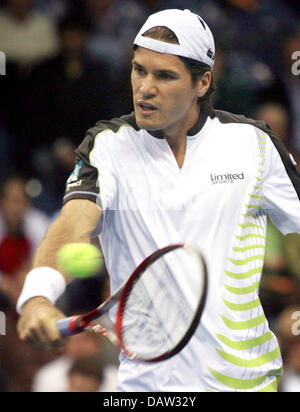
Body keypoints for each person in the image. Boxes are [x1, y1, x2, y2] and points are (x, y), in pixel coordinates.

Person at [17, 9, 300, 392]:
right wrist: (38, 295)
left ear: (203, 83)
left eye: (165, 76)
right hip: (147, 391)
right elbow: (73, 223)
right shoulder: (109, 147)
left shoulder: (255, 146)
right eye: (139, 70)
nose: (145, 87)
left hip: (247, 384)